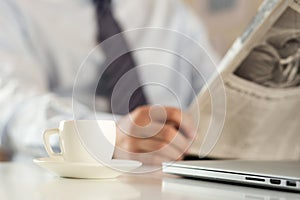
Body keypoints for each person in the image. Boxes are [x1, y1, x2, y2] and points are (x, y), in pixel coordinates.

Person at [0, 0, 217, 164]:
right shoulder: (13, 8)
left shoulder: (167, 7)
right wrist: (106, 138)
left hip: (178, 171)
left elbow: (216, 91)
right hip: (70, 179)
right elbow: (14, 107)